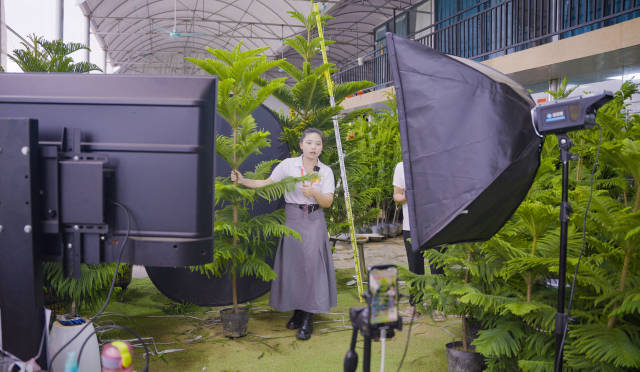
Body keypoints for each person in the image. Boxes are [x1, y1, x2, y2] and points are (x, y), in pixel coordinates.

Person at [231, 128, 337, 340]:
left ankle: (308, 317)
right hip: (292, 219)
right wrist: (242, 180)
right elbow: (267, 183)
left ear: (322, 147)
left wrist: (314, 193)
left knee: (312, 267)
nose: (313, 147)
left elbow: (328, 202)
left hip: (314, 220)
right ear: (301, 145)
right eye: (309, 143)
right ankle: (297, 311)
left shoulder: (325, 171)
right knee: (295, 266)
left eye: (318, 143)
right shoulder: (289, 165)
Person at [394, 161, 444, 316]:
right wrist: (408, 195)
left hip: (437, 224)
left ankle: (439, 306)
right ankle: (415, 304)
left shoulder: (437, 163)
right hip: (411, 226)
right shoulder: (401, 167)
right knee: (415, 266)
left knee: (438, 267)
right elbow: (397, 195)